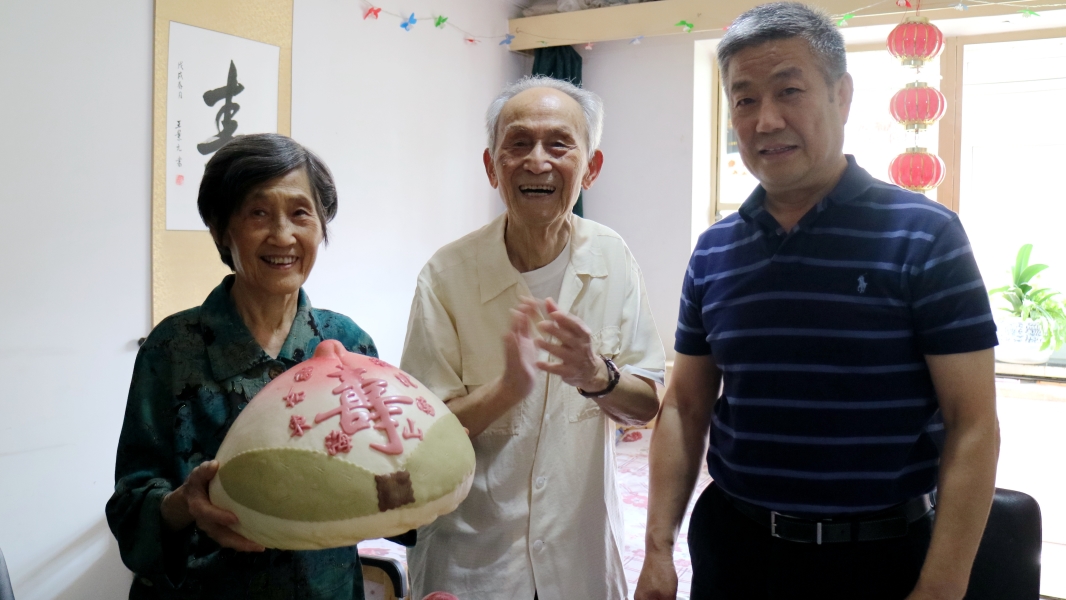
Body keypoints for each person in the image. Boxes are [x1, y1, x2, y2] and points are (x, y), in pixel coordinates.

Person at [635, 4, 1000, 600]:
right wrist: (657, 549)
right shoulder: (714, 250)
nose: (766, 120)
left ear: (842, 96)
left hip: (880, 557)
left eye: (790, 91)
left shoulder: (925, 235)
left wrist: (942, 587)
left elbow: (974, 423)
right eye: (745, 99)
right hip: (736, 549)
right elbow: (684, 406)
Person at [400, 75, 666, 600]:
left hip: (580, 556)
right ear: (491, 166)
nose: (537, 161)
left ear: (591, 168)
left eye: (559, 144)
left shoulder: (612, 256)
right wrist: (506, 391)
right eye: (518, 143)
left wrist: (597, 375)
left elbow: (646, 405)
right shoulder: (446, 275)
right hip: (473, 559)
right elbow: (422, 439)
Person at [106, 133, 380, 599]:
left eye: (300, 213)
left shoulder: (347, 344)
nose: (283, 235)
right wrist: (185, 503)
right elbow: (131, 509)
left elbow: (383, 469)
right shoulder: (173, 349)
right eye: (258, 213)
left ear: (321, 228)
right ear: (220, 230)